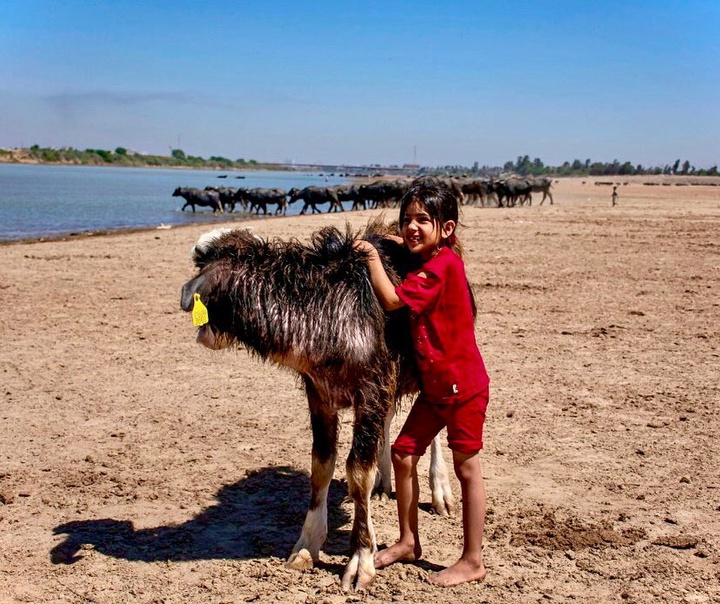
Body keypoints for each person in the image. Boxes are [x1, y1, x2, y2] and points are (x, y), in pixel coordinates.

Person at [354, 177, 490, 587]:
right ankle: (409, 541)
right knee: (402, 454)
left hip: (462, 387)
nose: (412, 227)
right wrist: (393, 243)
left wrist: (373, 259)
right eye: (407, 219)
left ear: (446, 229)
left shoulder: (443, 265)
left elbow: (394, 300)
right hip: (435, 388)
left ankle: (472, 559)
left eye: (423, 221)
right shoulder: (434, 259)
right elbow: (408, 249)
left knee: (467, 468)